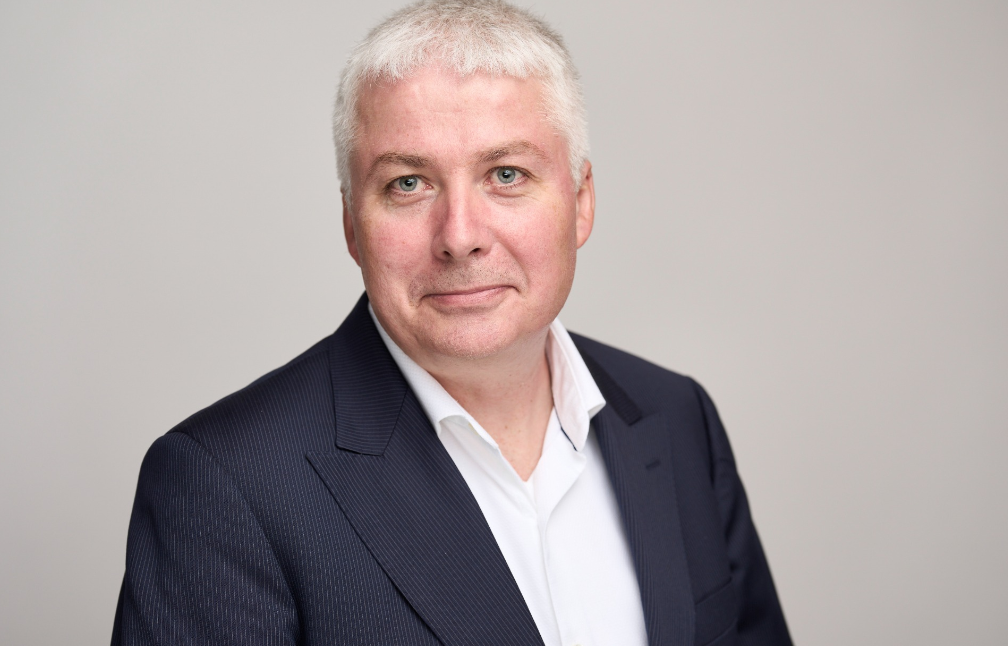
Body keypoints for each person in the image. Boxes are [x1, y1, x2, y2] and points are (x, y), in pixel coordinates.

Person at [112, 1, 792, 644]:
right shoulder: (227, 485)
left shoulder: (677, 418)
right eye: (408, 184)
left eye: (506, 174)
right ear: (351, 224)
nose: (460, 237)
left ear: (581, 202)